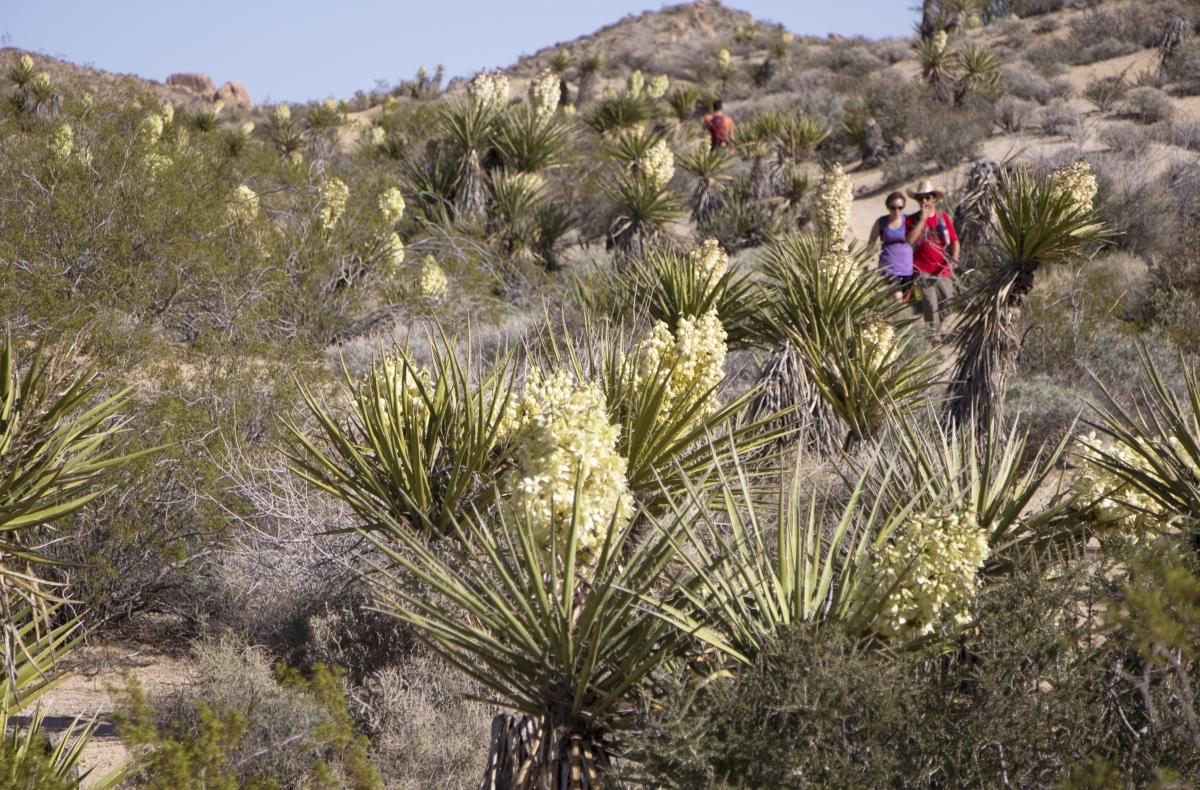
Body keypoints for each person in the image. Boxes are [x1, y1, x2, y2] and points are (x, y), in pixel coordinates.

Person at [905, 179, 959, 343]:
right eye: (921, 198)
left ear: (934, 198)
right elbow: (909, 241)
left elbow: (954, 240)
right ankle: (934, 339)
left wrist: (955, 257)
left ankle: (935, 329)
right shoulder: (912, 220)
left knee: (947, 304)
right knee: (930, 305)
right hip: (922, 270)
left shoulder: (943, 218)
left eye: (927, 197)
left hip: (943, 269)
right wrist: (923, 219)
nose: (924, 201)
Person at [868, 191, 913, 302]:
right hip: (889, 268)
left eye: (900, 207)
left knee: (904, 300)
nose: (897, 211)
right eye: (893, 208)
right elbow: (871, 242)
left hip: (907, 268)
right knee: (897, 296)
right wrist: (867, 262)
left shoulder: (908, 221)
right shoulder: (882, 222)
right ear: (888, 207)